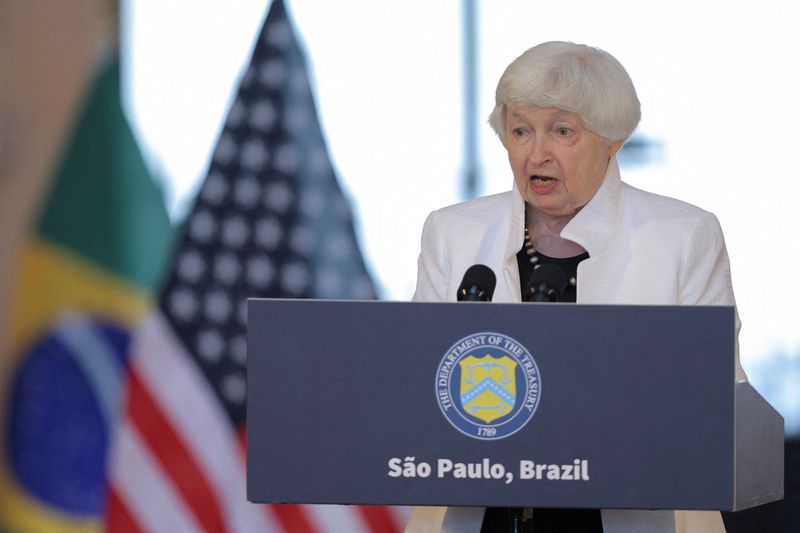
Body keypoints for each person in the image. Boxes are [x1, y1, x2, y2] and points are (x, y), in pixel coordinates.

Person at [406, 41, 744, 533]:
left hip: (639, 513)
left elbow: (719, 396)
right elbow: (418, 384)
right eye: (520, 130)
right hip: (479, 512)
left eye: (562, 130)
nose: (536, 152)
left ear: (612, 140)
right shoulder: (452, 231)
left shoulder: (682, 235)